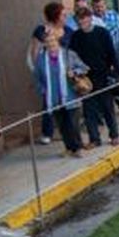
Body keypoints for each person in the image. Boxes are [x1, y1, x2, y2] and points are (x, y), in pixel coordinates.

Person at [69, 7, 119, 148]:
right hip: (85, 77)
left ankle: (114, 135)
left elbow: (112, 53)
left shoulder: (102, 33)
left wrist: (116, 73)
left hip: (103, 75)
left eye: (84, 18)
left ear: (90, 18)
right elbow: (72, 56)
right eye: (79, 19)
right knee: (89, 109)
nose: (82, 22)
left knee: (107, 107)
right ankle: (94, 138)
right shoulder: (76, 36)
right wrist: (74, 73)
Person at [33, 30, 86, 159]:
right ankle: (68, 147)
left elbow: (84, 67)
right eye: (47, 42)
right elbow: (37, 77)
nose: (50, 44)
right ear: (44, 44)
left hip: (70, 95)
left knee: (73, 124)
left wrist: (74, 72)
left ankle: (77, 147)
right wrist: (43, 91)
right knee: (62, 125)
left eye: (52, 41)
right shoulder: (41, 59)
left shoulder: (68, 55)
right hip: (53, 97)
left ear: (57, 41)